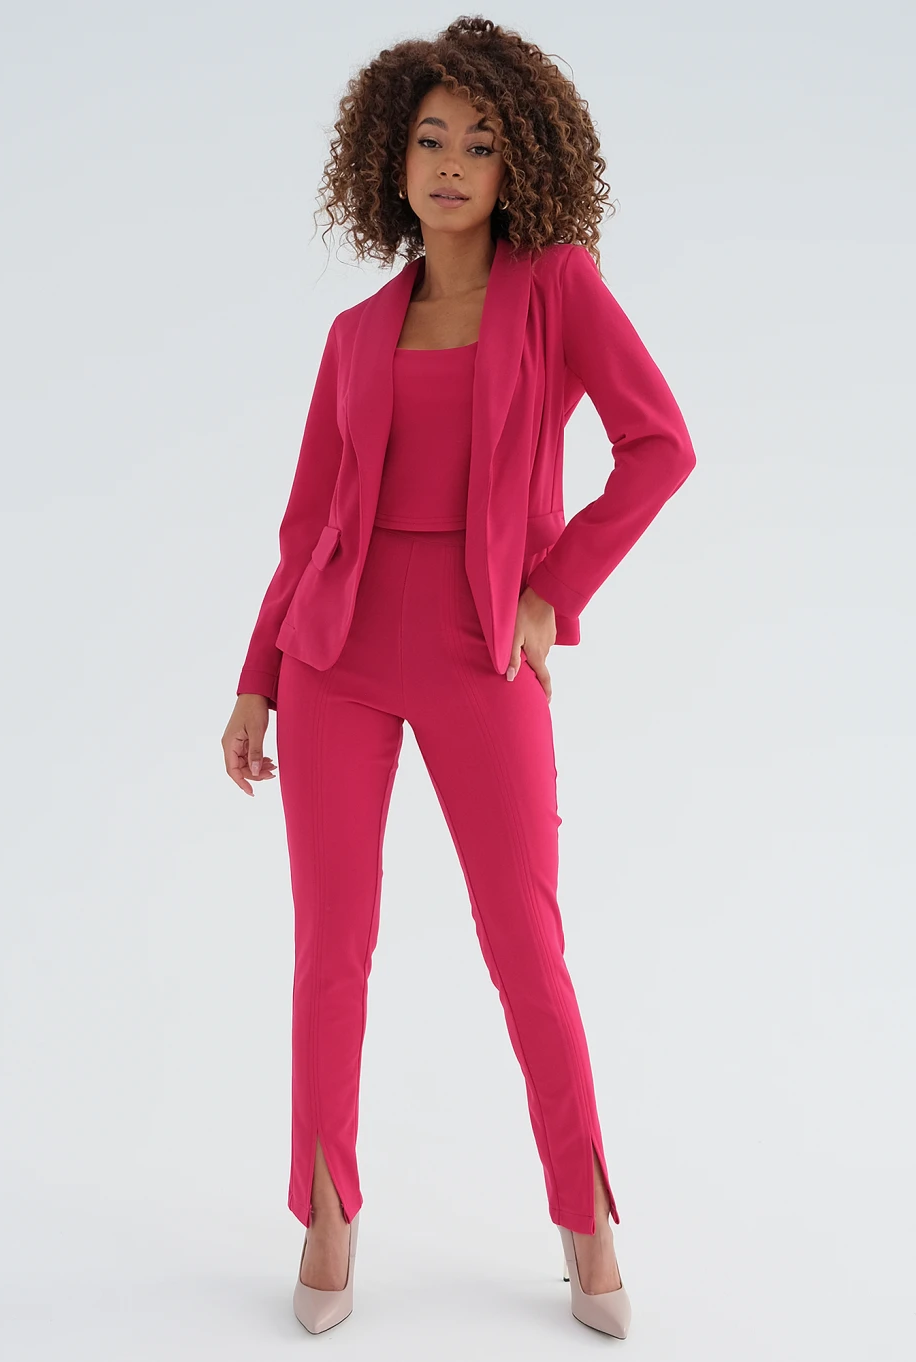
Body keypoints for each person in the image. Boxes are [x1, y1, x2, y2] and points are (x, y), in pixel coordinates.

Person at [221, 15, 695, 1338]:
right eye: (429, 139)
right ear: (391, 157)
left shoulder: (558, 288)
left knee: (524, 942)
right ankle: (326, 1212)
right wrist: (258, 676)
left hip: (483, 646)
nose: (449, 163)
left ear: (518, 161)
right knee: (332, 944)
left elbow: (660, 446)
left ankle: (586, 1217)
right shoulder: (355, 333)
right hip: (335, 652)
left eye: (479, 144)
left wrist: (553, 592)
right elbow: (307, 524)